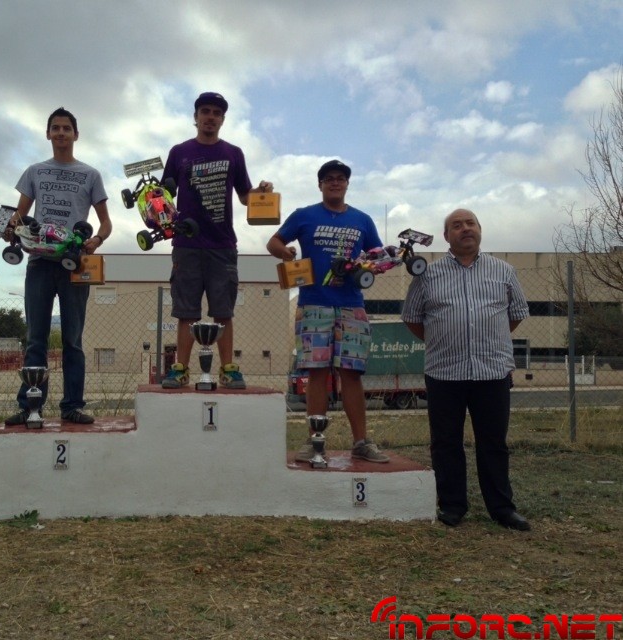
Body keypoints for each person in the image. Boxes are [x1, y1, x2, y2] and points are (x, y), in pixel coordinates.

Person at [402, 208, 531, 531]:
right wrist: (441, 340)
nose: (465, 229)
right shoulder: (427, 275)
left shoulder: (504, 271)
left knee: (494, 443)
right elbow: (412, 317)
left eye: (470, 223)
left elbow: (516, 313)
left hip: (492, 372)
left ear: (480, 229)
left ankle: (502, 509)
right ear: (447, 236)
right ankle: (452, 506)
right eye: (456, 226)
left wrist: (489, 338)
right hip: (444, 372)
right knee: (446, 443)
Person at [266, 160, 389, 463]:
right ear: (320, 184)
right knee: (317, 373)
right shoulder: (304, 215)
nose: (335, 183)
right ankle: (314, 441)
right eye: (329, 179)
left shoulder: (363, 220)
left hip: (352, 305)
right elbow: (274, 241)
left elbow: (377, 256)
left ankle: (361, 442)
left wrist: (372, 266)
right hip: (313, 303)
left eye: (340, 178)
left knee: (351, 374)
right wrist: (285, 252)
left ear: (347, 184)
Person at [4, 107, 112, 426]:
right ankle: (30, 407)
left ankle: (72, 406)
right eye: (56, 128)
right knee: (35, 338)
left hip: (74, 263)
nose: (61, 133)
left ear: (76, 134)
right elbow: (19, 216)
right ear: (48, 133)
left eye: (67, 128)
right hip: (39, 262)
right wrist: (11, 229)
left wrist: (96, 240)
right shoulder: (35, 171)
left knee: (72, 340)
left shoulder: (91, 175)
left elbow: (105, 223)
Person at [159, 91, 273, 390]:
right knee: (186, 312)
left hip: (222, 245)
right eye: (205, 111)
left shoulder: (233, 153)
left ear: (223, 119)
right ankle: (180, 369)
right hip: (185, 245)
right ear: (196, 117)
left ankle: (228, 370)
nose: (210, 117)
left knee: (223, 312)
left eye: (216, 113)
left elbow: (245, 196)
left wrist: (261, 192)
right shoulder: (179, 152)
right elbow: (163, 196)